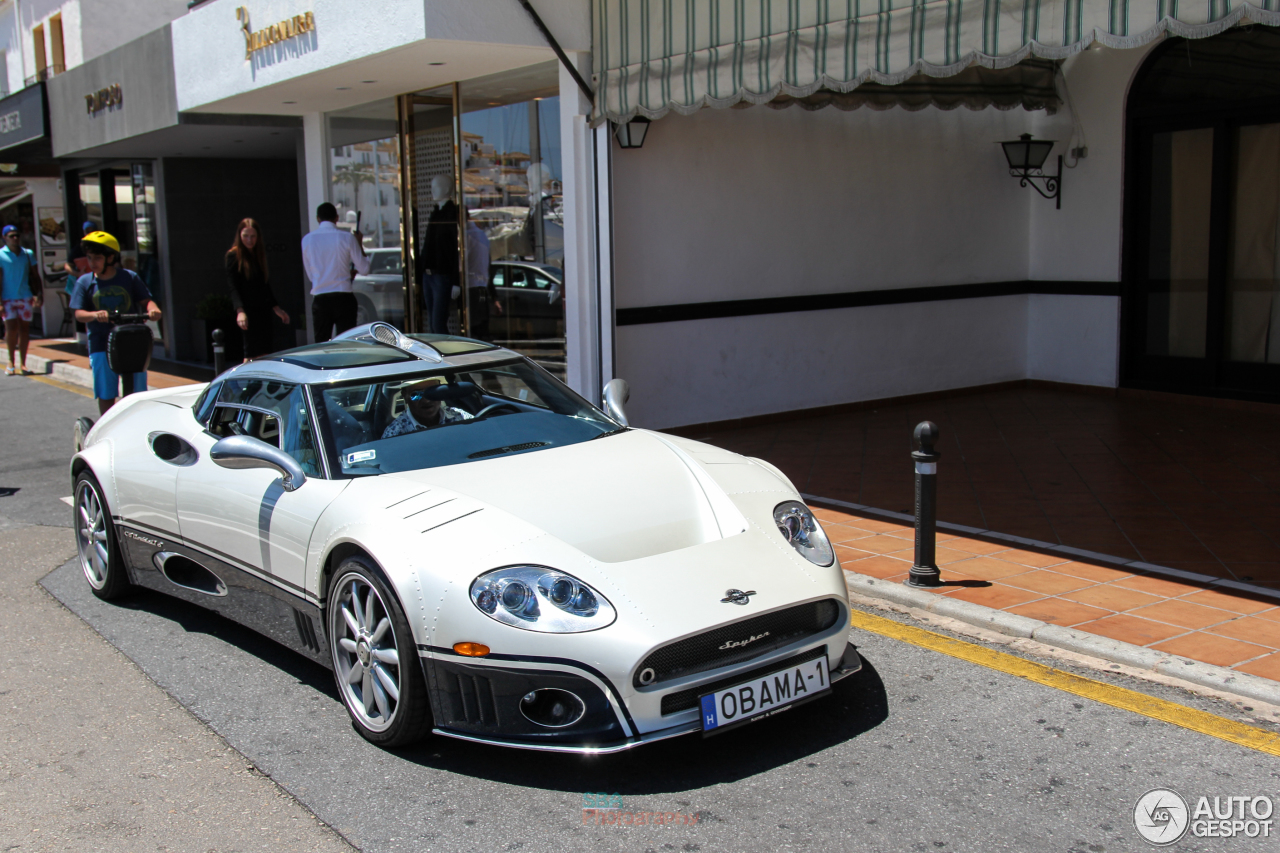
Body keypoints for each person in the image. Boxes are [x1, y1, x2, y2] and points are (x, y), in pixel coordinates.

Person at [69, 231, 162, 414]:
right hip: (100, 343)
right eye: (89, 258)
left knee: (137, 394)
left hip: (131, 342)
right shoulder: (84, 282)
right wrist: (95, 315)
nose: (92, 263)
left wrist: (153, 309)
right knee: (106, 392)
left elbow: (146, 300)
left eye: (97, 258)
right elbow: (79, 314)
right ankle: (107, 426)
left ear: (110, 257)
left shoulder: (129, 277)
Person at [301, 202, 368, 342]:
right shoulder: (347, 238)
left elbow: (311, 275)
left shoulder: (307, 240)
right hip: (344, 298)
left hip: (321, 299)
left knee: (321, 344)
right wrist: (359, 243)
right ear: (336, 218)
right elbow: (364, 269)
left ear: (318, 219)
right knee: (347, 344)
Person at [226, 218, 289, 361]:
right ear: (239, 236)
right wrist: (240, 311)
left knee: (265, 351)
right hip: (248, 310)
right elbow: (233, 286)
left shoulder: (258, 255)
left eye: (253, 236)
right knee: (250, 353)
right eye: (245, 236)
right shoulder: (234, 256)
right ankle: (247, 382)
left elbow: (264, 284)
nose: (249, 240)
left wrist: (276, 308)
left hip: (263, 310)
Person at [1, 224, 42, 375]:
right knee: (11, 329)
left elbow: (35, 275)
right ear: (4, 238)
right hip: (7, 298)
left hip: (25, 296)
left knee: (24, 330)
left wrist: (39, 293)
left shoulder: (27, 253)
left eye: (17, 235)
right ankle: (11, 361)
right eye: (11, 236)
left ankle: (23, 363)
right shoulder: (1, 255)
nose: (15, 238)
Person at [421, 175, 459, 335]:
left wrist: (456, 281)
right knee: (432, 323)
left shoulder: (451, 213)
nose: (432, 191)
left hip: (442, 276)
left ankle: (447, 356)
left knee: (438, 324)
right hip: (429, 275)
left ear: (445, 189)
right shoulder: (435, 212)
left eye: (436, 187)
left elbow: (456, 249)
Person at [381, 378, 473, 439]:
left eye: (433, 392)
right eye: (416, 394)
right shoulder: (395, 433)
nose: (426, 400)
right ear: (405, 396)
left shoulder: (459, 416)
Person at [464, 219, 502, 341]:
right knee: (481, 326)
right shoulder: (483, 237)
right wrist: (494, 298)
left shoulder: (467, 236)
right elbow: (488, 268)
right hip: (482, 286)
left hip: (472, 286)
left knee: (474, 327)